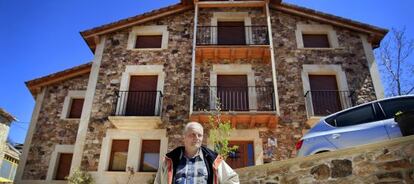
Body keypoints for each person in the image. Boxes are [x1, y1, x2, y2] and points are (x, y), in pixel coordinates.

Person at [155, 122, 239, 184]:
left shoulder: (213, 159)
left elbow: (232, 179)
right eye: (192, 135)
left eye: (200, 135)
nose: (196, 138)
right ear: (184, 137)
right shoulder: (169, 160)